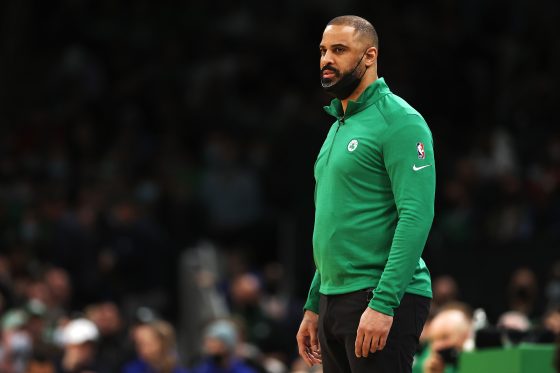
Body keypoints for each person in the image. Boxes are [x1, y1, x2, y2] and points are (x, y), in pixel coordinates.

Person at [295, 15, 436, 373]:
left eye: (339, 50)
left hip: (379, 295)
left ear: (369, 56)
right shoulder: (337, 128)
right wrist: (315, 303)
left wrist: (385, 303)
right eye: (324, 50)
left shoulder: (400, 120)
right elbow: (334, 226)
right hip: (333, 298)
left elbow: (416, 215)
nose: (327, 59)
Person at [415, 306, 474, 373]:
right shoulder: (422, 364)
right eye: (433, 340)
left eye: (444, 337)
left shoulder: (477, 361)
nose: (437, 345)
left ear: (465, 336)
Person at [123, 320, 188, 373]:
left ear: (162, 343)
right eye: (138, 344)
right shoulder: (132, 369)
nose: (140, 349)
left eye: (147, 344)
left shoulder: (177, 369)